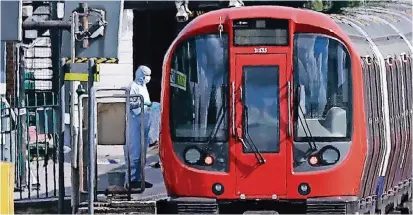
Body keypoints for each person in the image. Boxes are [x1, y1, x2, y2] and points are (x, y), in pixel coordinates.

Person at [124, 65, 153, 189]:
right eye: (146, 75)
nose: (148, 78)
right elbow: (129, 104)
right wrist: (141, 103)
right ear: (140, 74)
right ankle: (132, 180)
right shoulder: (133, 87)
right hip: (135, 122)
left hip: (144, 122)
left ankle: (140, 179)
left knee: (142, 153)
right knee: (134, 153)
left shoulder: (143, 87)